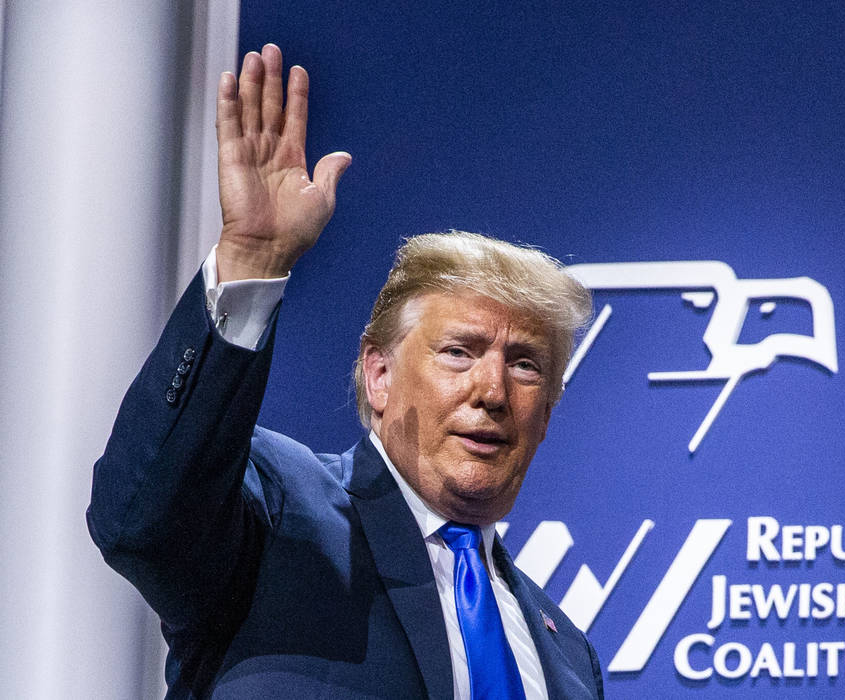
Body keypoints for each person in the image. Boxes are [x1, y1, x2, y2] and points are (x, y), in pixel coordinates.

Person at [86, 44, 603, 699]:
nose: (492, 391)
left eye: (525, 365)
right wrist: (252, 259)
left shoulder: (569, 657)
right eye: (459, 352)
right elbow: (138, 520)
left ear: (549, 410)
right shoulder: (277, 509)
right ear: (378, 374)